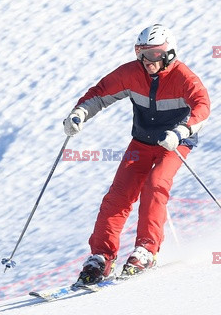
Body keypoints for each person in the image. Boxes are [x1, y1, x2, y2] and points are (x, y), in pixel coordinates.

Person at [64, 24, 211, 285]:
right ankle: (100, 258)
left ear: (169, 53)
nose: (147, 61)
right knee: (118, 196)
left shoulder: (183, 77)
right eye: (142, 53)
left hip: (174, 143)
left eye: (154, 54)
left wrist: (181, 131)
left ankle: (146, 251)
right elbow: (100, 93)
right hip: (141, 142)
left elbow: (202, 105)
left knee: (155, 186)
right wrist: (79, 113)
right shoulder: (132, 73)